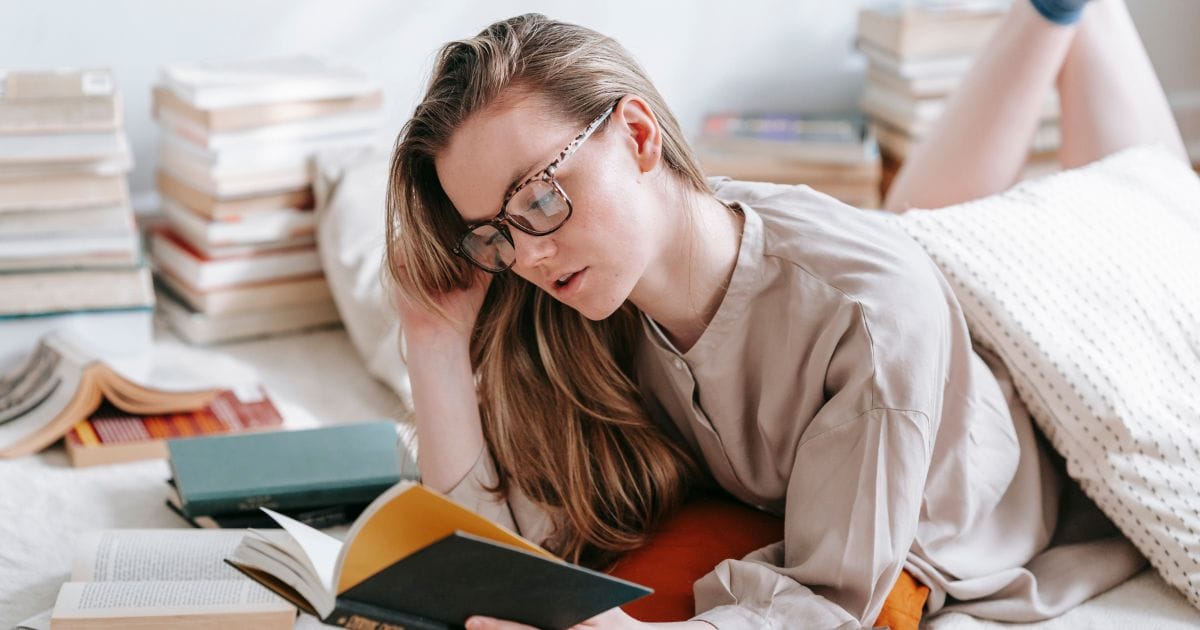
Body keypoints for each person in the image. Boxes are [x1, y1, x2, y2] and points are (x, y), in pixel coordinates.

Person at [385, 0, 1190, 627]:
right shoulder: (577, 292)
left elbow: (830, 600)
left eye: (539, 196)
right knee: (910, 222)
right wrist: (435, 337)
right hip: (899, 294)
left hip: (1024, 393)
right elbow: (489, 546)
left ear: (637, 135)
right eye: (494, 231)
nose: (524, 255)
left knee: (1139, 203)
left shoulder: (869, 316)